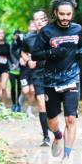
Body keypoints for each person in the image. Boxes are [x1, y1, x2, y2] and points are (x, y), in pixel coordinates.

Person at [31, 0, 82, 164]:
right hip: (51, 80)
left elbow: (81, 47)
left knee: (71, 118)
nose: (65, 18)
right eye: (61, 14)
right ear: (55, 13)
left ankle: (67, 157)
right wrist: (52, 53)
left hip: (71, 78)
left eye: (68, 14)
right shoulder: (47, 32)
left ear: (72, 14)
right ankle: (57, 135)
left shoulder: (78, 29)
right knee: (52, 120)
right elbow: (35, 55)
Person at [21, 11, 51, 145]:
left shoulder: (54, 34)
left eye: (42, 19)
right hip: (38, 74)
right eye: (36, 19)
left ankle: (53, 125)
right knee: (41, 103)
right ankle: (46, 137)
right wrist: (28, 60)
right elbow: (23, 51)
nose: (39, 21)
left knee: (52, 105)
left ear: (47, 20)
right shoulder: (29, 38)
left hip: (53, 73)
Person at [9, 30, 24, 113]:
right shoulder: (11, 45)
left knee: (19, 87)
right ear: (13, 36)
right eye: (16, 35)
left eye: (19, 35)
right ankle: (14, 104)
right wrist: (12, 64)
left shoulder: (23, 45)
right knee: (12, 87)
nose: (17, 37)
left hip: (20, 70)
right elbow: (9, 55)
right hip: (12, 69)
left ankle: (18, 104)